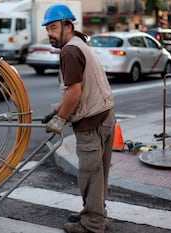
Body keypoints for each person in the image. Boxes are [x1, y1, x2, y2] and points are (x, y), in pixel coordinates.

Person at [41, 4, 115, 233]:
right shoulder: (80, 43)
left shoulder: (69, 51)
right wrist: (57, 109)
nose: (50, 34)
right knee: (99, 174)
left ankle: (93, 224)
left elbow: (75, 91)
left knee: (90, 175)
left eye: (53, 28)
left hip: (92, 123)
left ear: (67, 26)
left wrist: (60, 119)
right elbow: (84, 87)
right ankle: (96, 214)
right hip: (105, 115)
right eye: (48, 29)